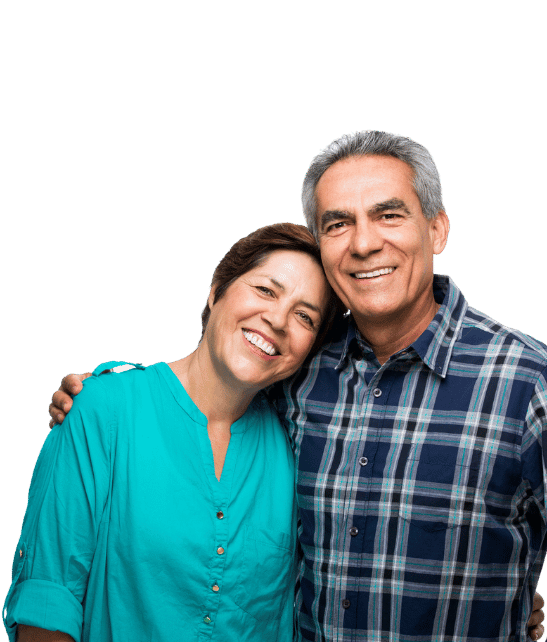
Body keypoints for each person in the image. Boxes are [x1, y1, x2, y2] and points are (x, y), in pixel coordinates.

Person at [43, 129, 547, 640]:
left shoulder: (528, 382)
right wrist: (108, 390)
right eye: (338, 223)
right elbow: (216, 381)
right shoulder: (302, 372)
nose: (364, 242)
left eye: (389, 215)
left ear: (437, 228)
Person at [3, 223, 339, 642]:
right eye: (266, 291)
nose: (278, 319)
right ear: (216, 290)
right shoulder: (100, 410)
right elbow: (48, 603)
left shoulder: (297, 446)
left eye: (305, 316)